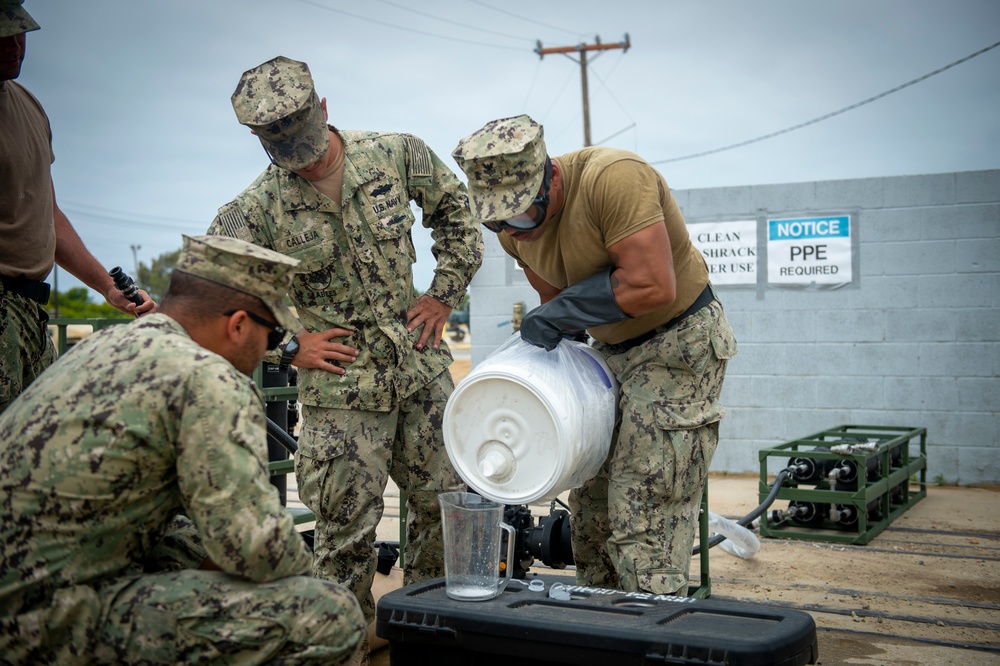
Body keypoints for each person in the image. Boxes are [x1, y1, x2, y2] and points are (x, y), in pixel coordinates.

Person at [208, 56, 483, 629]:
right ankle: (344, 644)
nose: (304, 164)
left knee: (444, 509)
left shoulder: (397, 153)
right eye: (287, 155)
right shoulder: (253, 211)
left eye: (309, 147)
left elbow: (459, 214)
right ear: (262, 142)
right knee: (344, 534)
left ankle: (428, 634)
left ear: (325, 109)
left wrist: (443, 294)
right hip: (341, 391)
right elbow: (218, 298)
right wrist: (289, 345)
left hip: (420, 371)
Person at [0, 234, 366, 665]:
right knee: (329, 615)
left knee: (185, 542)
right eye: (272, 339)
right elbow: (265, 553)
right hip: (36, 625)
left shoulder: (108, 345)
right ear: (239, 326)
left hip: (25, 587)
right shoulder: (207, 377)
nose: (270, 350)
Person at [452, 114, 738, 596]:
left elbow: (653, 284)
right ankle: (600, 622)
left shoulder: (615, 178)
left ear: (551, 180)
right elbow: (560, 314)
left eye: (519, 215)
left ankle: (654, 626)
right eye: (496, 219)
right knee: (591, 507)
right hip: (609, 354)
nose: (511, 231)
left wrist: (563, 311)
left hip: (675, 342)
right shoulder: (511, 229)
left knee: (643, 499)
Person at [0, 0, 156, 414]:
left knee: (36, 448)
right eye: (2, 34)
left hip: (30, 316)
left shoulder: (27, 106)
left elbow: (47, 213)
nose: (15, 44)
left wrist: (107, 286)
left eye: (20, 31)